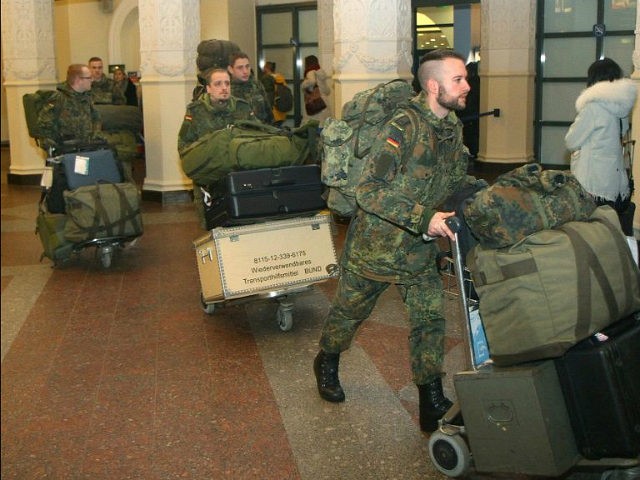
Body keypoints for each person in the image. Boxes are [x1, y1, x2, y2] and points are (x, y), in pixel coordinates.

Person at [313, 49, 482, 433]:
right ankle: (327, 360)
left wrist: (482, 194)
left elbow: (453, 180)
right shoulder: (403, 127)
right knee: (348, 314)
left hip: (419, 248)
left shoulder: (450, 127)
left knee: (430, 320)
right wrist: (425, 217)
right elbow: (368, 191)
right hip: (376, 247)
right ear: (433, 85)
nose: (467, 85)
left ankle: (430, 398)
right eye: (458, 79)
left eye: (465, 78)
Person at [565, 57, 637, 232]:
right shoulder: (621, 109)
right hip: (614, 180)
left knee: (590, 229)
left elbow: (571, 141)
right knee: (610, 226)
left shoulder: (593, 108)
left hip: (593, 182)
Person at [178, 68, 256, 227]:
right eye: (218, 84)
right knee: (211, 224)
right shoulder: (196, 111)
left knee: (243, 222)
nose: (224, 87)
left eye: (227, 83)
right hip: (209, 181)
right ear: (208, 88)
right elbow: (184, 146)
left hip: (239, 177)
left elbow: (257, 137)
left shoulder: (243, 108)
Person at [37, 63, 103, 153]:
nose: (92, 80)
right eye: (89, 78)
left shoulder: (86, 97)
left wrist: (95, 135)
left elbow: (96, 117)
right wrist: (55, 149)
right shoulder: (58, 98)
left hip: (86, 148)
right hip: (66, 151)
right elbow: (44, 127)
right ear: (78, 80)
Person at [227, 52, 274, 125]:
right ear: (230, 69)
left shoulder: (256, 85)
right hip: (240, 133)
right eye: (240, 68)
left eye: (247, 66)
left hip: (262, 132)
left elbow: (268, 112)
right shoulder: (226, 89)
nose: (245, 71)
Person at [301, 55, 332, 127]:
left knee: (312, 124)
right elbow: (327, 91)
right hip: (323, 102)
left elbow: (312, 81)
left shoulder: (310, 72)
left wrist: (303, 85)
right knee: (324, 125)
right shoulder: (320, 73)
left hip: (314, 102)